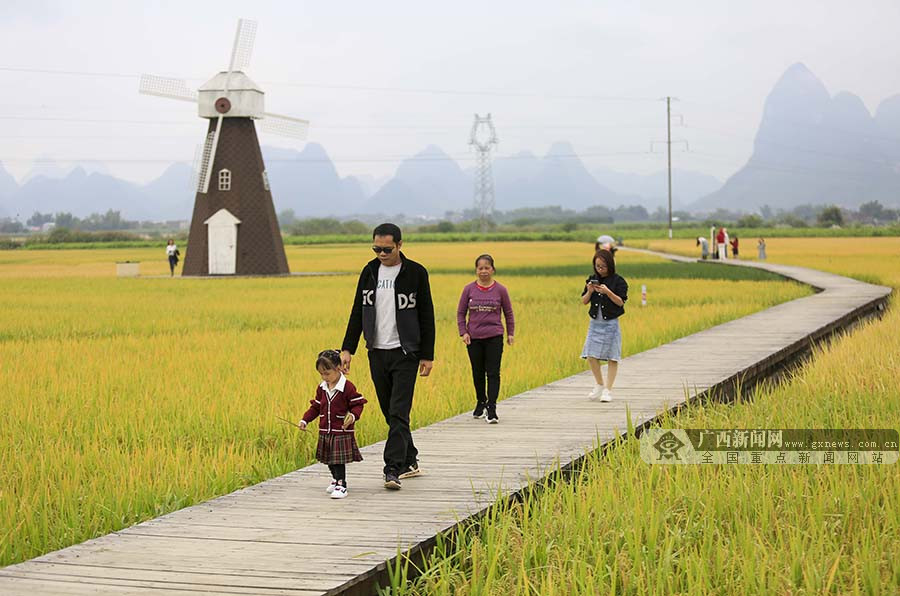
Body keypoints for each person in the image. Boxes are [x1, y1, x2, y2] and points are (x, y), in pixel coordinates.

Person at [341, 223, 435, 491]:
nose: (381, 253)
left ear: (400, 245)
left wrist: (427, 355)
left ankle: (392, 469)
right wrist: (348, 348)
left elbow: (426, 315)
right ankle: (410, 459)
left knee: (398, 411)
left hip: (405, 352)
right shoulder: (369, 271)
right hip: (377, 352)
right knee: (390, 412)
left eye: (386, 249)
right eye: (376, 248)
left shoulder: (415, 273)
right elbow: (357, 311)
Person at [298, 350, 367, 499]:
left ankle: (342, 485)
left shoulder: (347, 387)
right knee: (328, 458)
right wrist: (305, 420)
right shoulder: (322, 388)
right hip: (325, 429)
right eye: (321, 374)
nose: (324, 377)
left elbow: (358, 404)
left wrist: (353, 416)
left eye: (327, 373)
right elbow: (316, 407)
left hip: (340, 430)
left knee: (338, 460)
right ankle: (335, 479)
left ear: (338, 368)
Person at [456, 254, 515, 424]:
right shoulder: (468, 289)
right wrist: (463, 332)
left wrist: (510, 333)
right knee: (477, 372)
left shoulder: (501, 290)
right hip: (473, 338)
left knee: (493, 373)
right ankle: (481, 401)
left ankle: (492, 408)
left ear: (493, 269)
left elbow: (508, 313)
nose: (483, 271)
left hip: (494, 336)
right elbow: (461, 313)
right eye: (480, 268)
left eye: (487, 267)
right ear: (476, 270)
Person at [581, 249, 628, 402]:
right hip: (595, 323)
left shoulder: (618, 281)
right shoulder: (592, 279)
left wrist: (608, 292)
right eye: (597, 266)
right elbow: (584, 301)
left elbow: (621, 302)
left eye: (603, 266)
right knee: (590, 354)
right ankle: (599, 384)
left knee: (612, 357)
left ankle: (608, 390)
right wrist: (589, 291)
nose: (600, 269)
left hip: (611, 324)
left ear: (610, 265)